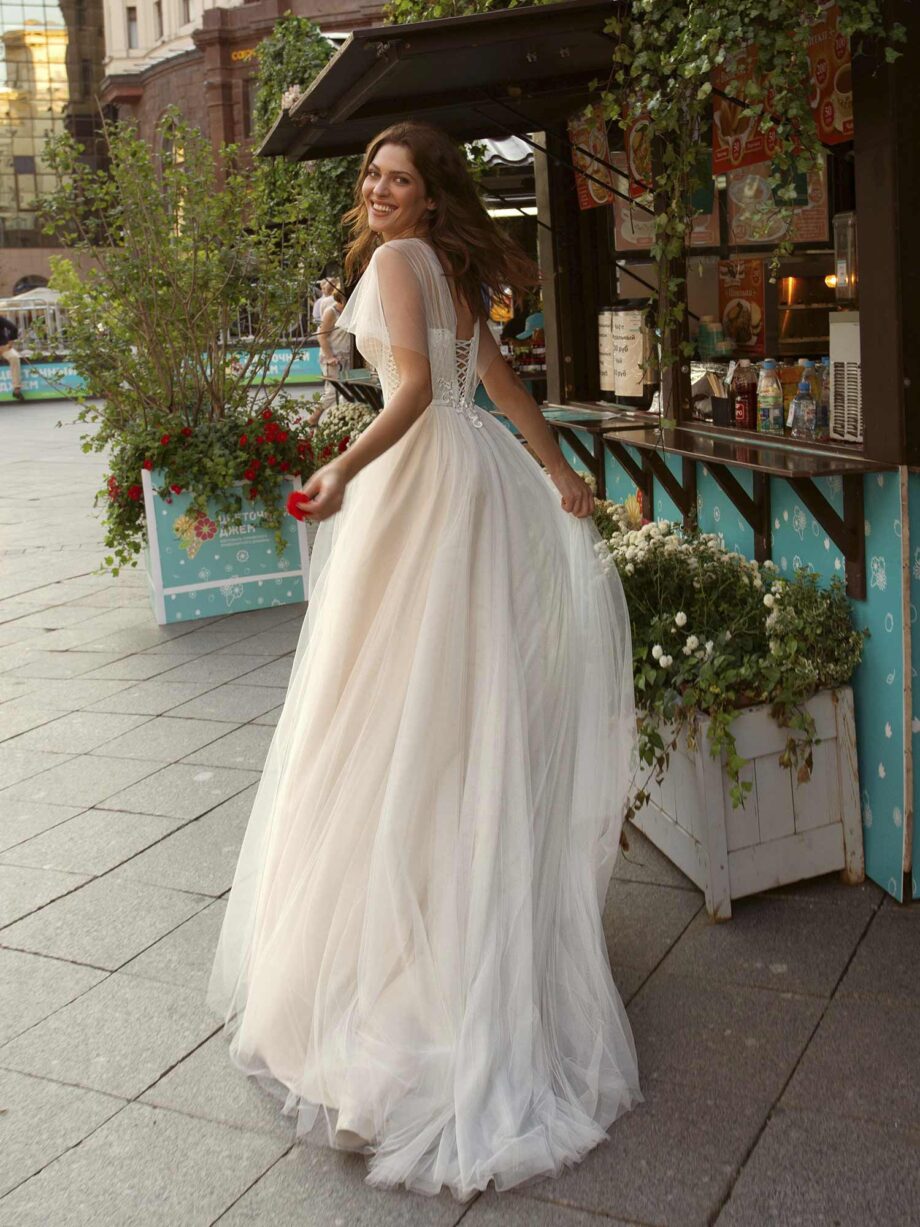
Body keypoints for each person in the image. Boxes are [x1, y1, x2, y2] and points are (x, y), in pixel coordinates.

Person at [207, 121, 640, 1201]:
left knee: (387, 710)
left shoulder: (404, 263)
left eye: (398, 178)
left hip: (417, 487)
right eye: (372, 176)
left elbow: (410, 398)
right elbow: (493, 384)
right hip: (470, 482)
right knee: (448, 706)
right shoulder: (442, 267)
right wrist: (556, 474)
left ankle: (403, 975)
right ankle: (458, 937)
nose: (379, 190)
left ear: (428, 194)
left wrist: (341, 469)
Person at [308, 286, 352, 426]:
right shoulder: (331, 312)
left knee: (347, 390)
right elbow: (322, 337)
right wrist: (329, 357)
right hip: (333, 357)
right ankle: (313, 417)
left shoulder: (349, 312)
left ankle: (342, 419)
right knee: (332, 391)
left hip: (345, 356)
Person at [0, 315, 25, 401]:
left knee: (14, 357)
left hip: (3, 346)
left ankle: (16, 389)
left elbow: (13, 328)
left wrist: (10, 343)